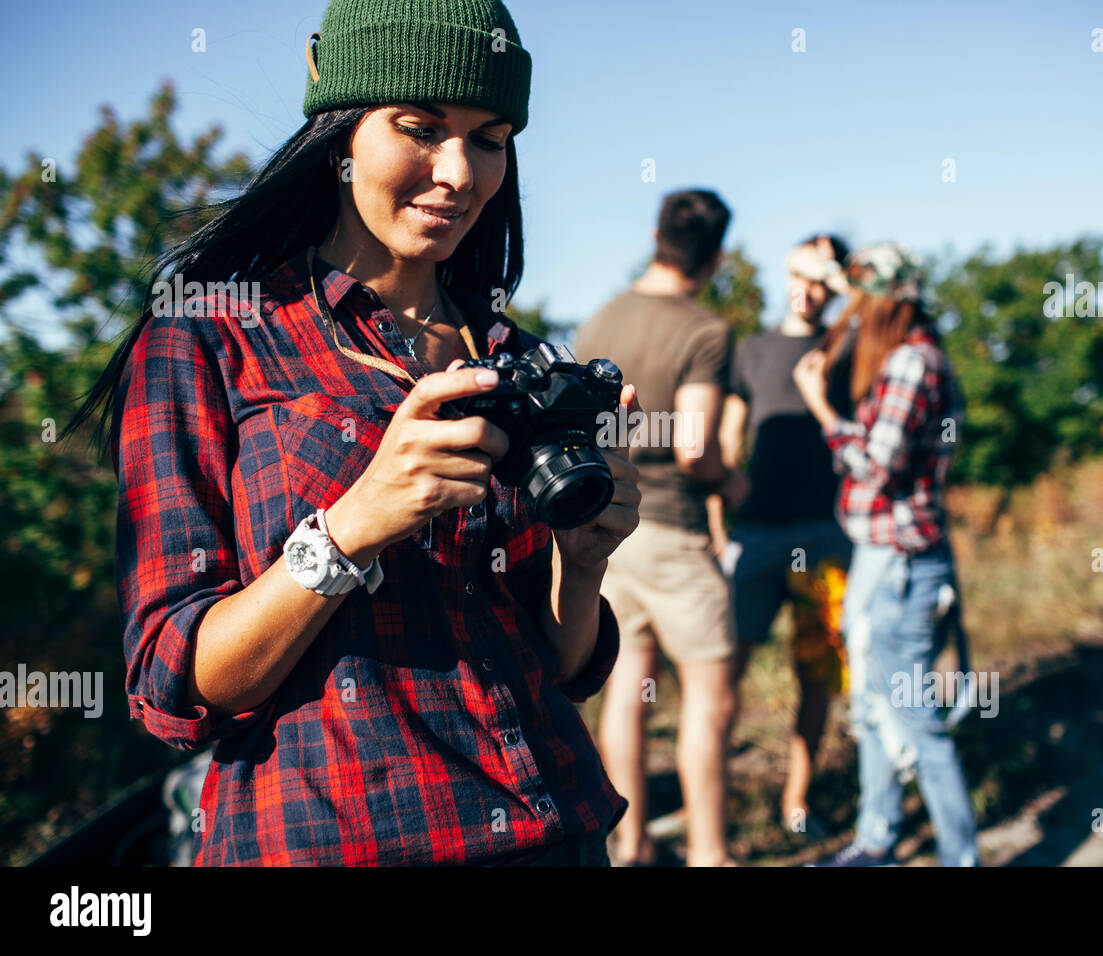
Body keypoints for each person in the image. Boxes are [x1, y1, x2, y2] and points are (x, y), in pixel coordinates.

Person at [71, 0, 641, 866]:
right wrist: (354, 525)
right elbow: (172, 682)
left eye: (490, 138)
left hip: (556, 829)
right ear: (338, 128)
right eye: (419, 127)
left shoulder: (515, 360)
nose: (458, 172)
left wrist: (587, 559)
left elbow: (560, 667)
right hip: (336, 840)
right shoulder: (210, 335)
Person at [792, 242, 979, 867]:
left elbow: (876, 467)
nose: (853, 311)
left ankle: (960, 856)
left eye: (860, 299)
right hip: (887, 556)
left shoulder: (909, 365)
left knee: (915, 716)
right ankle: (876, 838)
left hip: (900, 560)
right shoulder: (917, 358)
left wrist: (822, 409)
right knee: (874, 707)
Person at [575, 190, 745, 867]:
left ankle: (632, 842)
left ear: (655, 234)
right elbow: (695, 446)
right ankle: (710, 853)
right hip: (674, 529)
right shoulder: (705, 332)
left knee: (627, 686)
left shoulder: (598, 322)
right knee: (711, 695)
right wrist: (733, 482)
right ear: (718, 254)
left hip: (610, 530)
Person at [712, 234, 855, 837]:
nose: (808, 287)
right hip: (757, 535)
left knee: (816, 675)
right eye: (799, 271)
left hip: (827, 536)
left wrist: (844, 282)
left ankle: (797, 803)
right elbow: (726, 444)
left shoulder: (848, 347)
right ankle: (709, 804)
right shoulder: (751, 350)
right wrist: (723, 530)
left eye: (822, 276)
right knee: (723, 671)